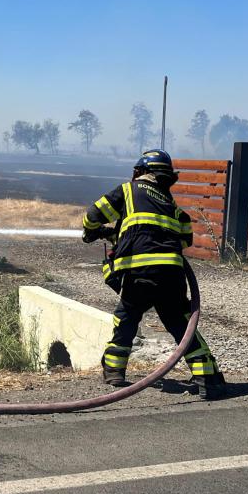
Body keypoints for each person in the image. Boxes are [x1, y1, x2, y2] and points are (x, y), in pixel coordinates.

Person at [81, 149, 226, 400]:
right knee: (181, 324)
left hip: (140, 272)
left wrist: (92, 231)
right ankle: (208, 377)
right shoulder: (170, 205)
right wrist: (114, 234)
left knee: (126, 317)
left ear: (139, 172)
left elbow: (94, 215)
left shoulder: (128, 190)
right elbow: (180, 237)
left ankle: (114, 371)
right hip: (172, 274)